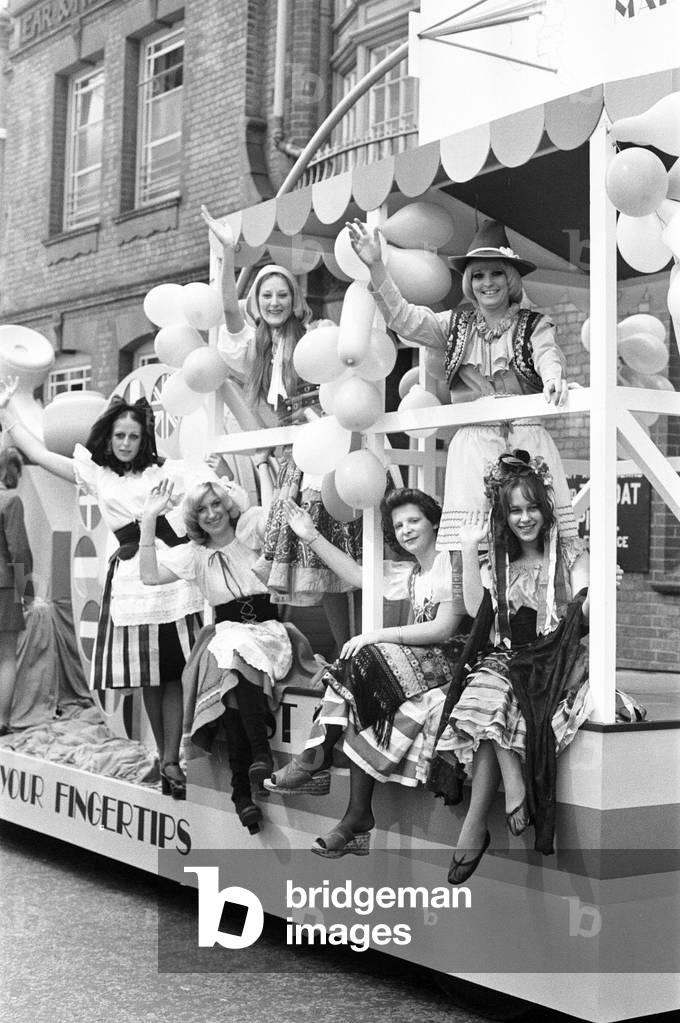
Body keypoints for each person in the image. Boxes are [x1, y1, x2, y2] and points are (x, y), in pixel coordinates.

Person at [0, 381, 203, 798]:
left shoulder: (168, 471)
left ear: (144, 438)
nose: (127, 443)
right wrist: (7, 413)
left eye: (134, 436)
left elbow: (205, 502)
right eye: (120, 436)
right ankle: (163, 759)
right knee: (151, 674)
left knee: (177, 673)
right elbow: (38, 454)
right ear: (109, 438)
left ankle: (173, 758)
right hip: (133, 580)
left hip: (173, 577)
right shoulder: (98, 475)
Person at [346, 218, 581, 558]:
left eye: (496, 273)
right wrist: (376, 265)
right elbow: (404, 319)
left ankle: (542, 607)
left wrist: (553, 378)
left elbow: (547, 355)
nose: (488, 283)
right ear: (470, 282)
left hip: (528, 441)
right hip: (473, 447)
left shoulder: (534, 323)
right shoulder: (455, 324)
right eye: (479, 275)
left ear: (510, 278)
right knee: (474, 546)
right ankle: (478, 610)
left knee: (541, 540)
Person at [264, 487, 470, 858]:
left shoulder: (450, 563)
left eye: (414, 520)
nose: (406, 529)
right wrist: (311, 535)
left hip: (455, 661)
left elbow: (443, 630)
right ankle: (352, 811)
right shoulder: (411, 572)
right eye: (399, 524)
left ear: (435, 522)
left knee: (365, 658)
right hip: (422, 662)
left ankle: (316, 761)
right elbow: (359, 574)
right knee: (364, 685)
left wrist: (374, 635)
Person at [430, 450, 599, 884]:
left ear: (545, 509)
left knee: (495, 682)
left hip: (555, 658)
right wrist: (469, 551)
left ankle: (475, 825)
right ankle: (509, 789)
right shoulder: (497, 561)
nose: (525, 518)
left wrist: (597, 592)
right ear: (503, 516)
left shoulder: (571, 553)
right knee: (494, 677)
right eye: (515, 511)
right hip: (512, 658)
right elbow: (473, 608)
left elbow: (583, 610)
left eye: (532, 508)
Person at [201, 206, 361, 648]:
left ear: (294, 300)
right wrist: (227, 253)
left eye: (282, 296)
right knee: (307, 558)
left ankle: (356, 646)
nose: (275, 303)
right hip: (294, 459)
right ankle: (321, 650)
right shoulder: (254, 348)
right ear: (257, 300)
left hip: (328, 451)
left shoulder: (315, 334)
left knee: (340, 549)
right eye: (267, 295)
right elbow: (227, 309)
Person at [139, 477, 318, 834]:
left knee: (234, 662)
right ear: (194, 518)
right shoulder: (194, 554)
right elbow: (148, 575)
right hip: (225, 636)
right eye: (202, 509)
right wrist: (148, 521)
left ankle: (243, 786)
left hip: (268, 633)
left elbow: (276, 525)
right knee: (232, 662)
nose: (211, 514)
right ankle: (255, 766)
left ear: (227, 505)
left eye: (216, 504)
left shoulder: (249, 530)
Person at [0, 447, 33, 736]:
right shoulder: (10, 500)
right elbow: (19, 552)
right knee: (6, 656)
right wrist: (28, 592)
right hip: (4, 586)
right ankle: (1, 722)